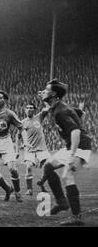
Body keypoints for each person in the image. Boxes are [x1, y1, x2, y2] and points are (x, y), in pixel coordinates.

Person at [37, 79, 92, 226]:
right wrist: (44, 96)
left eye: (46, 89)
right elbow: (71, 111)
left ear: (54, 94)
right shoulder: (56, 106)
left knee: (67, 175)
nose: (43, 91)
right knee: (48, 166)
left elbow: (75, 132)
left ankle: (76, 217)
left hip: (79, 146)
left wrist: (72, 156)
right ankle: (62, 202)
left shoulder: (60, 111)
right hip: (70, 146)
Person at [17, 103, 51, 195]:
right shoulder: (22, 123)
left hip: (42, 149)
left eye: (31, 108)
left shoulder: (39, 117)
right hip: (30, 149)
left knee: (50, 166)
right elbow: (18, 137)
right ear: (25, 110)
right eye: (27, 108)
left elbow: (48, 108)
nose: (29, 109)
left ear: (34, 110)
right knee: (28, 167)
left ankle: (41, 182)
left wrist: (44, 99)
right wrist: (17, 150)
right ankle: (29, 189)